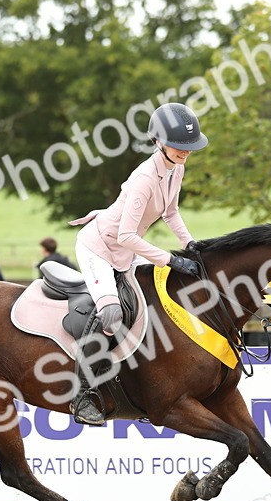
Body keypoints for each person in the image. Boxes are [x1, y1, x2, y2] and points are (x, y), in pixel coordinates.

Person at [64, 101, 206, 425]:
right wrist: (171, 259)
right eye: (178, 146)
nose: (185, 152)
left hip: (126, 250)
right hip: (99, 248)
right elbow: (127, 235)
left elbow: (170, 212)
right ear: (158, 142)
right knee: (112, 313)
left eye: (188, 146)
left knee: (159, 293)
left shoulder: (176, 169)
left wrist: (189, 245)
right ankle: (83, 394)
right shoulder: (144, 178)